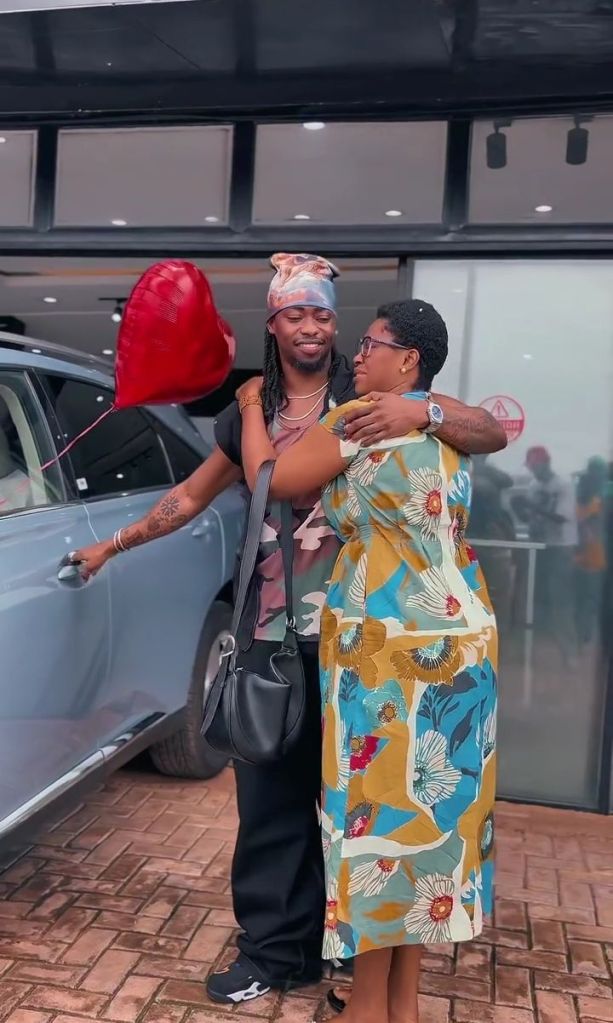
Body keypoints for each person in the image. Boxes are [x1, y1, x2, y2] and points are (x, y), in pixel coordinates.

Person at [72, 253, 506, 1006]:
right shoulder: (248, 410)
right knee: (270, 804)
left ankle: (354, 959)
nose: (312, 326)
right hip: (272, 635)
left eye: (324, 314)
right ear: (271, 324)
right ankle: (275, 952)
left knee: (356, 805)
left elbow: (485, 428)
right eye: (295, 313)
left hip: (364, 646)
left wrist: (424, 411)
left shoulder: (366, 394)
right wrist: (113, 544)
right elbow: (190, 496)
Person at [237, 298, 498, 1023]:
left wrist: (251, 404)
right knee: (426, 824)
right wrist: (428, 411)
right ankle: (398, 1004)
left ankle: (366, 1013)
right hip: (458, 641)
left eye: (371, 343)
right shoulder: (445, 421)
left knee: (374, 821)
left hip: (384, 645)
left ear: (406, 358)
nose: (356, 353)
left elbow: (271, 479)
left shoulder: (357, 419)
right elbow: (494, 428)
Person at [575, 456, 607, 645]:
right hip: (594, 556)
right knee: (590, 598)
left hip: (585, 554)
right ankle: (584, 635)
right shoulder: (596, 496)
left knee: (585, 598)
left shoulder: (584, 492)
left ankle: (583, 635)